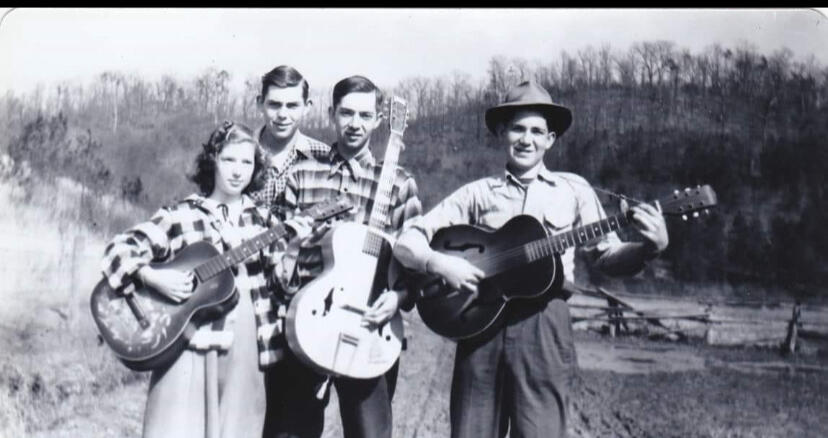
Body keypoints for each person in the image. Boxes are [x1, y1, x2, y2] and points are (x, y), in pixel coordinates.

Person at [393, 81, 670, 438]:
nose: (527, 139)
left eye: (537, 131)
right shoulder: (477, 193)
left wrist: (649, 248)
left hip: (544, 325)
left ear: (550, 139)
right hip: (479, 322)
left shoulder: (574, 190)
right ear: (502, 133)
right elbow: (408, 239)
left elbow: (607, 256)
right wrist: (440, 264)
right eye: (518, 129)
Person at [100, 121, 313, 438]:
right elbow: (117, 250)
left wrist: (294, 249)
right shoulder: (181, 214)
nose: (237, 171)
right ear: (212, 161)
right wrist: (152, 277)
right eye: (229, 159)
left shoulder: (265, 220)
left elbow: (283, 289)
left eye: (246, 162)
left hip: (247, 345)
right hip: (188, 341)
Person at [262, 76, 423, 438]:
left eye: (365, 115)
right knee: (290, 432)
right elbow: (276, 253)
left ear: (379, 120)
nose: (355, 123)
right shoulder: (301, 174)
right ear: (331, 113)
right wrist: (289, 259)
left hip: (369, 325)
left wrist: (397, 298)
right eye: (346, 113)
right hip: (307, 323)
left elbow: (415, 261)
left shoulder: (400, 183)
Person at [251, 65, 330, 216]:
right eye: (274, 105)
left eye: (292, 106)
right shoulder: (238, 152)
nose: (282, 114)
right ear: (260, 103)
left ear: (307, 107)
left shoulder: (325, 157)